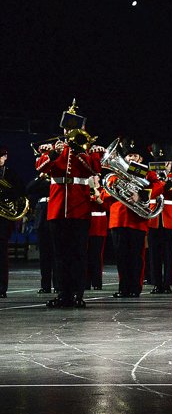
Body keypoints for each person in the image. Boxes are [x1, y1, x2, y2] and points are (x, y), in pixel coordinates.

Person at [34, 103, 104, 308]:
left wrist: (82, 150)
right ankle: (62, 294)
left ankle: (77, 294)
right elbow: (41, 167)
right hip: (57, 208)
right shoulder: (54, 148)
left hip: (80, 207)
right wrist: (53, 154)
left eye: (73, 129)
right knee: (60, 254)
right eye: (67, 129)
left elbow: (93, 170)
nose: (69, 132)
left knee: (78, 254)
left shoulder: (87, 149)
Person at [107, 138, 164, 298]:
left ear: (141, 159)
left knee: (136, 257)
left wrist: (140, 195)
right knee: (121, 256)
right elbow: (106, 193)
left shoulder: (145, 172)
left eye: (135, 156)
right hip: (118, 219)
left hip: (137, 220)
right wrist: (116, 187)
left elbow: (159, 185)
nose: (132, 158)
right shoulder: (114, 173)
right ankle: (123, 288)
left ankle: (135, 288)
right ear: (124, 158)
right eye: (129, 156)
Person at [146, 144, 172, 294]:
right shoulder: (150, 177)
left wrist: (168, 184)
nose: (165, 166)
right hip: (154, 218)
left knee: (169, 253)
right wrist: (161, 184)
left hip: (169, 219)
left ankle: (167, 283)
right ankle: (156, 283)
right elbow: (148, 193)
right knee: (154, 253)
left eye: (167, 163)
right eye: (162, 163)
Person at [0, 146, 26, 298]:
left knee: (2, 255)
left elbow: (21, 191)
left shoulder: (10, 174)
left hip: (3, 218)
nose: (1, 159)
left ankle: (2, 288)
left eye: (2, 156)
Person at [86, 175, 110, 290]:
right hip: (87, 225)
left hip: (99, 225)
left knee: (96, 255)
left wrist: (97, 196)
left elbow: (106, 206)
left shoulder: (104, 190)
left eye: (93, 176)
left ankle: (96, 282)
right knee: (85, 254)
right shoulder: (85, 190)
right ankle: (85, 282)